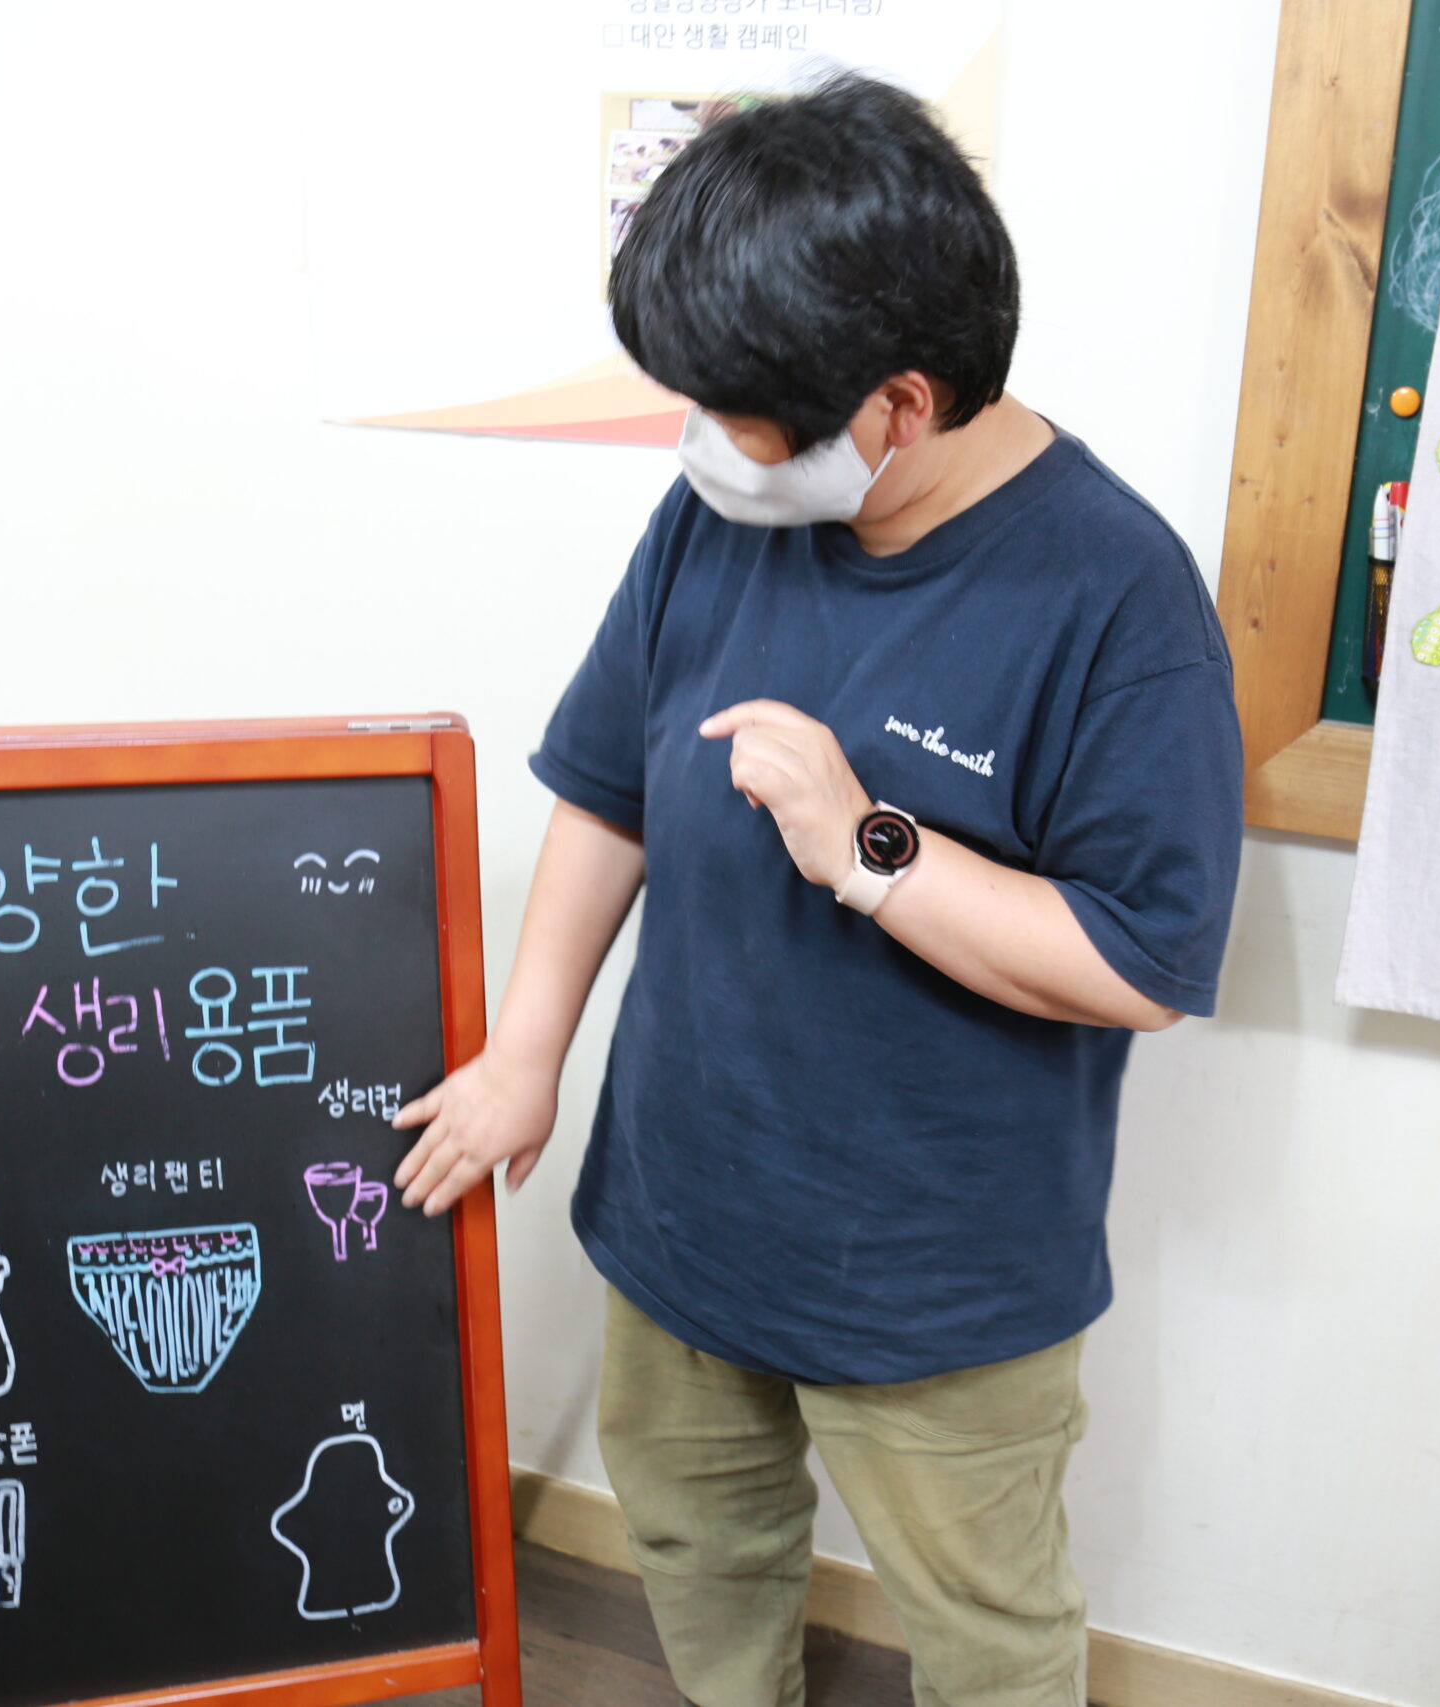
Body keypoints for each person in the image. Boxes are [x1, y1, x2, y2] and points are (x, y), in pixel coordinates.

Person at [391, 71, 1243, 1707]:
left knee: (987, 1630)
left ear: (901, 406)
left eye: (734, 417)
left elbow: (1140, 961)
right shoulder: (714, 520)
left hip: (938, 1275)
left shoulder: (1117, 598)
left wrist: (870, 849)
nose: (700, 446)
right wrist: (525, 1052)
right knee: (695, 1544)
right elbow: (608, 786)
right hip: (684, 1206)